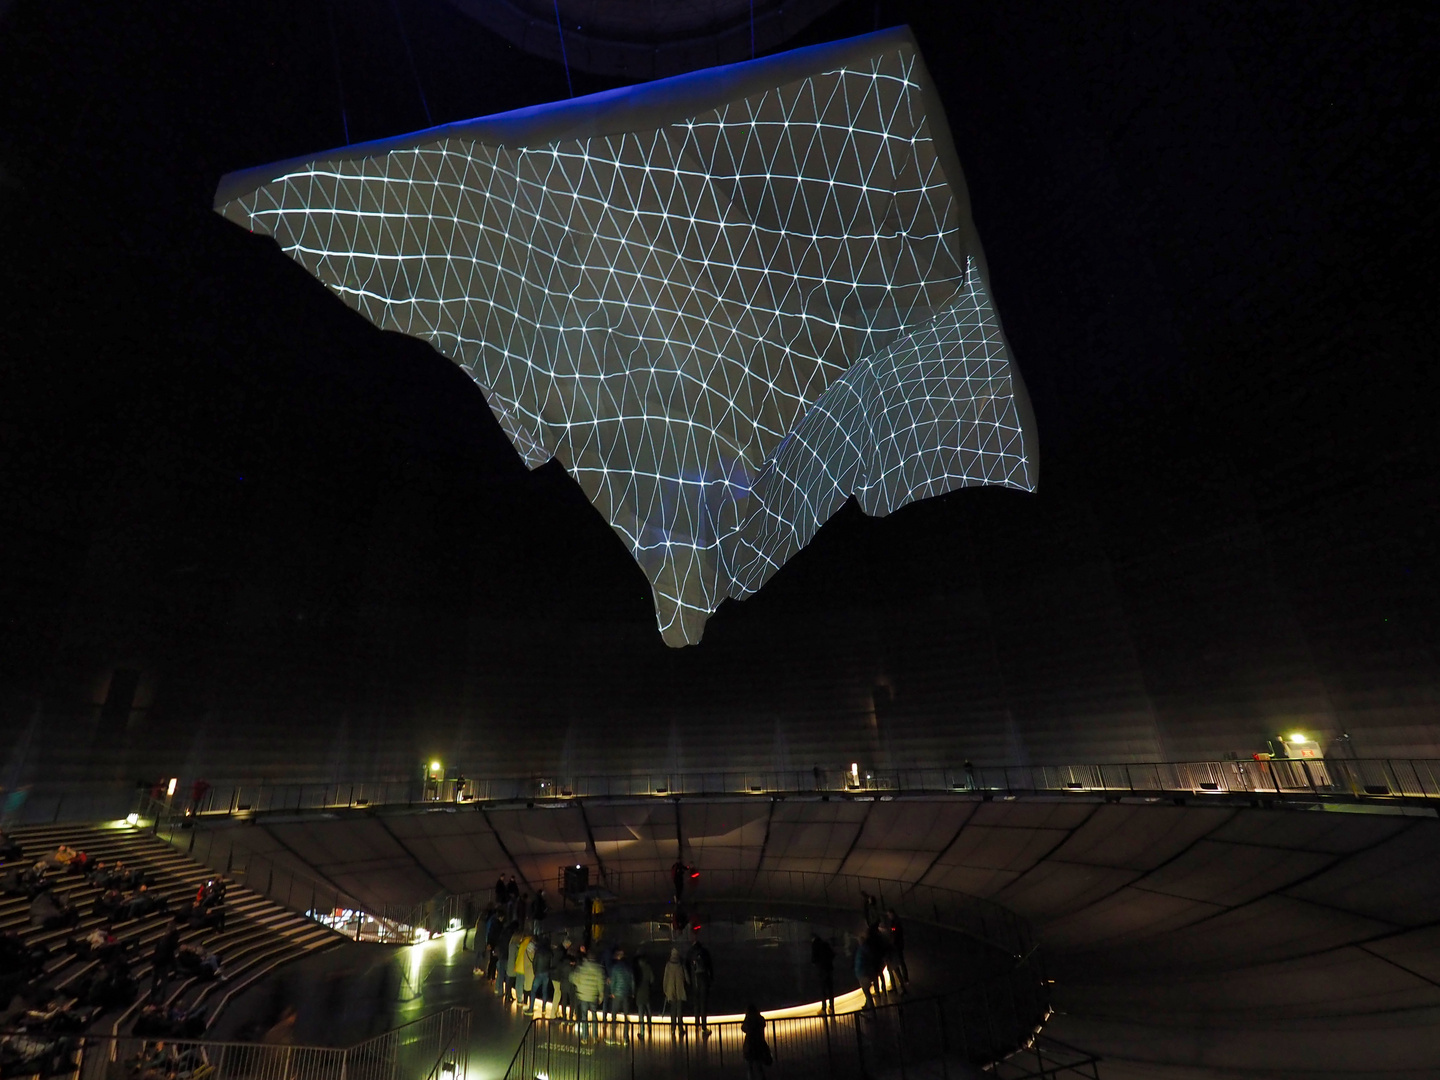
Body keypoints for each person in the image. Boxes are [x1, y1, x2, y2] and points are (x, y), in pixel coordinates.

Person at [572, 950, 605, 1042]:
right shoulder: (599, 969)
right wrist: (601, 996)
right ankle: (595, 1036)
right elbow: (601, 984)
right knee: (594, 1015)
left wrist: (579, 988)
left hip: (583, 996)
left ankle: (585, 1037)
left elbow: (575, 979)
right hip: (593, 996)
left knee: (584, 1016)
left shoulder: (581, 967)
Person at [686, 939, 714, 1037]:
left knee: (696, 1002)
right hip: (703, 978)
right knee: (703, 1003)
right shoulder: (705, 952)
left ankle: (696, 1022)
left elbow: (687, 966)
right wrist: (711, 978)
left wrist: (688, 980)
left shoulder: (690, 953)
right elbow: (710, 966)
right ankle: (704, 1026)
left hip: (694, 979)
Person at [606, 947, 634, 1035]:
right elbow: (632, 981)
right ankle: (626, 1036)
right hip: (626, 993)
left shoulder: (615, 968)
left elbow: (613, 981)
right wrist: (632, 992)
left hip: (617, 994)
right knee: (626, 1014)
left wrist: (612, 992)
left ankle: (613, 1034)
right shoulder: (628, 968)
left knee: (614, 1013)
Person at [742, 1003, 772, 1079]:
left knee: (750, 1066)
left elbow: (744, 1028)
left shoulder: (749, 1019)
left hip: (750, 1044)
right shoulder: (760, 1019)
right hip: (759, 1043)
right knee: (759, 1065)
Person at [662, 947, 688, 1035]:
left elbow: (665, 979)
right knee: (679, 1010)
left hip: (671, 990)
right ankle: (680, 1028)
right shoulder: (680, 965)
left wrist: (665, 990)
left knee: (672, 1010)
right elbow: (686, 977)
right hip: (680, 991)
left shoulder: (668, 965)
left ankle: (673, 1028)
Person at [810, 933, 835, 1015]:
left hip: (822, 970)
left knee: (823, 990)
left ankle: (823, 1009)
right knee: (830, 990)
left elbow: (813, 959)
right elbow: (832, 954)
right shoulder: (825, 944)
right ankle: (831, 1008)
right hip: (829, 969)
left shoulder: (815, 945)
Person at [527, 934, 552, 1014]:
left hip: (538, 973)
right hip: (546, 973)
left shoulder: (538, 952)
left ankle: (531, 1008)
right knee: (545, 991)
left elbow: (534, 962)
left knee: (533, 991)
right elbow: (551, 964)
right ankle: (544, 1009)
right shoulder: (549, 952)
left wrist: (535, 971)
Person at [885, 910, 908, 993]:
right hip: (898, 945)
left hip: (897, 946)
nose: (888, 916)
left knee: (899, 963)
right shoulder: (895, 922)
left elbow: (895, 932)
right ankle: (904, 982)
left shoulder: (895, 923)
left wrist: (892, 932)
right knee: (899, 963)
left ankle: (904, 981)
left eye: (889, 915)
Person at [634, 949, 655, 1033]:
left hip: (639, 992)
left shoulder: (637, 969)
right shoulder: (648, 967)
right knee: (648, 1011)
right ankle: (650, 1027)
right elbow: (652, 979)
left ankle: (642, 1031)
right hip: (647, 991)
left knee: (641, 1013)